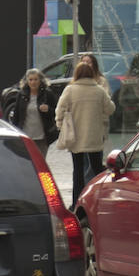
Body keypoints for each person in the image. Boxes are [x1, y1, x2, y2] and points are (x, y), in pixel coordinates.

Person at [56, 62, 116, 201]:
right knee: (97, 169)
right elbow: (110, 109)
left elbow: (60, 110)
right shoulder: (99, 90)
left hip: (75, 136)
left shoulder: (70, 90)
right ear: (92, 74)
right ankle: (98, 197)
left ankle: (76, 201)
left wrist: (60, 125)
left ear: (76, 74)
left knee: (78, 170)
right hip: (94, 136)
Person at [8, 68, 57, 155]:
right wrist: (14, 132)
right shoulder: (21, 95)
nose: (33, 82)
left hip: (42, 137)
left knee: (40, 160)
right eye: (30, 80)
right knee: (27, 160)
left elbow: (56, 112)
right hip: (26, 136)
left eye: (35, 79)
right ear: (27, 81)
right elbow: (16, 115)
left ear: (40, 80)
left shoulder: (47, 94)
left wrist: (48, 109)